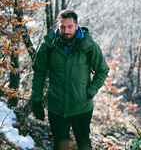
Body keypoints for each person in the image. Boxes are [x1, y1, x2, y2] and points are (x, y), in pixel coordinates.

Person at [32, 9, 110, 150]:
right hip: (57, 106)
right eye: (62, 27)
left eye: (69, 27)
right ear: (58, 26)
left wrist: (90, 91)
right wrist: (36, 100)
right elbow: (39, 73)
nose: (66, 31)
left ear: (77, 25)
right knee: (60, 146)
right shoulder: (48, 46)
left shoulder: (89, 46)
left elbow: (103, 70)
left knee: (84, 145)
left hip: (82, 106)